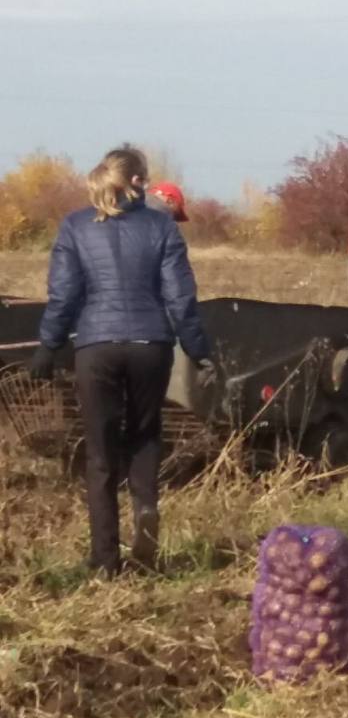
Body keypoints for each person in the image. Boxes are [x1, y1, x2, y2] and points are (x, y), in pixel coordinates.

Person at [28, 145, 214, 576]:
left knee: (100, 453)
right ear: (135, 181)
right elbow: (181, 300)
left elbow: (64, 296)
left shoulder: (75, 227)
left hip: (96, 347)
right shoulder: (162, 227)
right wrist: (200, 351)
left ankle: (105, 562)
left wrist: (47, 346)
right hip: (151, 345)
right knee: (146, 435)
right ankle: (145, 515)